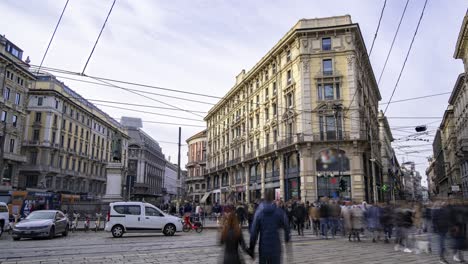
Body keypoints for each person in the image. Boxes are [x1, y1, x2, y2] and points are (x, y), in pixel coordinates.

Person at [250, 189, 290, 264]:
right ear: (273, 197)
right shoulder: (279, 211)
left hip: (263, 247)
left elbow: (253, 232)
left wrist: (251, 248)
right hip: (276, 247)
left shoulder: (259, 212)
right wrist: (287, 237)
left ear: (264, 197)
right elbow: (286, 225)